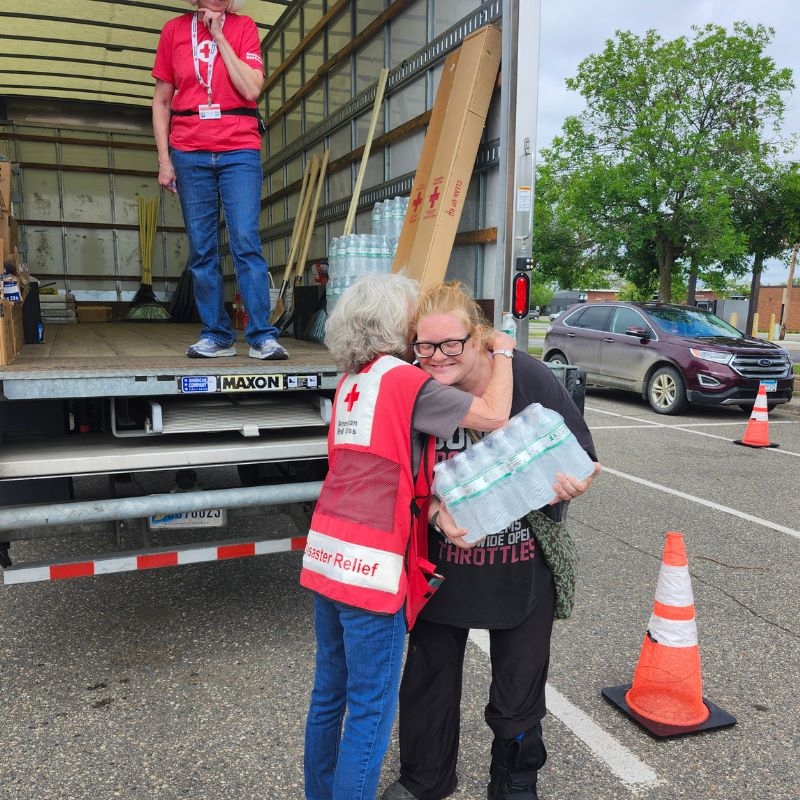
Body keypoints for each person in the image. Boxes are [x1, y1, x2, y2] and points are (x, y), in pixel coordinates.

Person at [300, 273, 518, 800]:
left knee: (329, 695)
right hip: (372, 567)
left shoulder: (351, 381)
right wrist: (504, 350)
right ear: (397, 326)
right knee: (371, 708)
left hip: (326, 553)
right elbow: (493, 416)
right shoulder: (402, 379)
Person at [382, 281, 600, 800]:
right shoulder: (414, 388)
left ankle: (515, 778)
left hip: (520, 560)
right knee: (429, 677)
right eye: (425, 346)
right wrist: (434, 510)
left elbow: (585, 455)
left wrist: (579, 481)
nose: (437, 358)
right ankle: (424, 779)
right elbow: (398, 474)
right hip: (441, 565)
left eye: (450, 344)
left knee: (520, 679)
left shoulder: (526, 376)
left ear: (480, 339)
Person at [152, 0, 287, 360]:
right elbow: (162, 102)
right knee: (202, 248)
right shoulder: (173, 31)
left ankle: (261, 335)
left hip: (238, 148)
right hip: (189, 149)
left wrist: (219, 37)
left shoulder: (243, 27)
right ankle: (216, 334)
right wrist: (165, 160)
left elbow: (252, 89)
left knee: (245, 239)